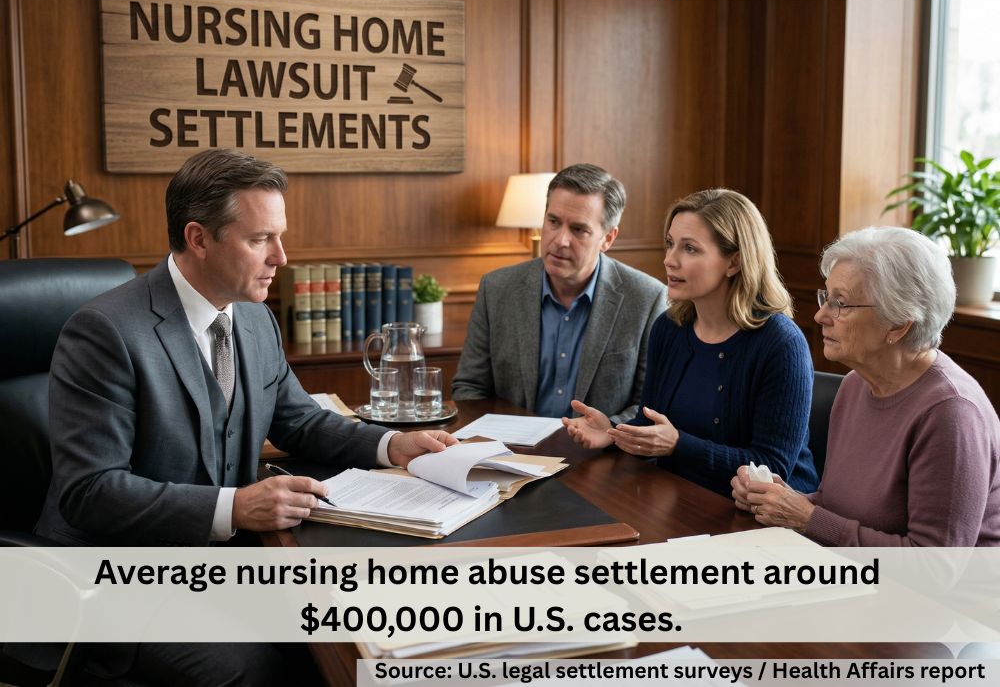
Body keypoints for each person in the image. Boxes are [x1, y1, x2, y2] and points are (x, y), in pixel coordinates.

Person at [32, 149, 457, 683]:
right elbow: (90, 491)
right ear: (198, 238)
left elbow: (299, 420)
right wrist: (235, 506)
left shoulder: (254, 319)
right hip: (113, 579)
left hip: (223, 565)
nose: (281, 256)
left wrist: (390, 446)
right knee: (258, 668)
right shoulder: (105, 332)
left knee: (357, 634)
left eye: (279, 236)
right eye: (261, 239)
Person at [733, 226, 1000, 546]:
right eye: (826, 297)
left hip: (940, 596)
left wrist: (807, 518)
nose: (820, 316)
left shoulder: (951, 414)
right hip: (857, 575)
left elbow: (934, 569)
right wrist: (782, 499)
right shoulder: (855, 385)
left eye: (841, 304)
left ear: (898, 324)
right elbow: (845, 509)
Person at [566, 188, 817, 496]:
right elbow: (651, 420)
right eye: (670, 244)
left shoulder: (780, 343)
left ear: (734, 262)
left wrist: (678, 445)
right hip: (681, 498)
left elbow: (771, 466)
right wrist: (613, 433)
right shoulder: (669, 328)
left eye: (690, 249)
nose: (670, 260)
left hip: (761, 517)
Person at [451, 164, 666, 421]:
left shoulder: (647, 298)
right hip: (508, 451)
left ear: (608, 238)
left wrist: (605, 431)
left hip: (601, 455)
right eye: (553, 222)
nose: (560, 240)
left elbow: (648, 404)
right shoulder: (496, 289)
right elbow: (470, 388)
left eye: (578, 229)